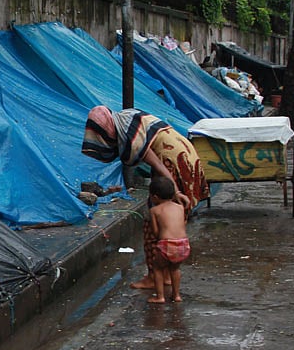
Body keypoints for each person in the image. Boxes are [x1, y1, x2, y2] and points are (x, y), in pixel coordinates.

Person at [81, 105, 209, 290]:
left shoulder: (130, 137)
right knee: (174, 221)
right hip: (185, 152)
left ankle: (153, 276)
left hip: (171, 161)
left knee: (154, 225)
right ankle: (166, 275)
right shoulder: (128, 118)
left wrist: (174, 188)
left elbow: (156, 162)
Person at [147, 176, 189, 304]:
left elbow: (155, 232)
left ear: (155, 197)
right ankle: (176, 295)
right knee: (175, 269)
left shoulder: (154, 210)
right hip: (183, 244)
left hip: (167, 244)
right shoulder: (179, 207)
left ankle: (160, 297)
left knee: (157, 268)